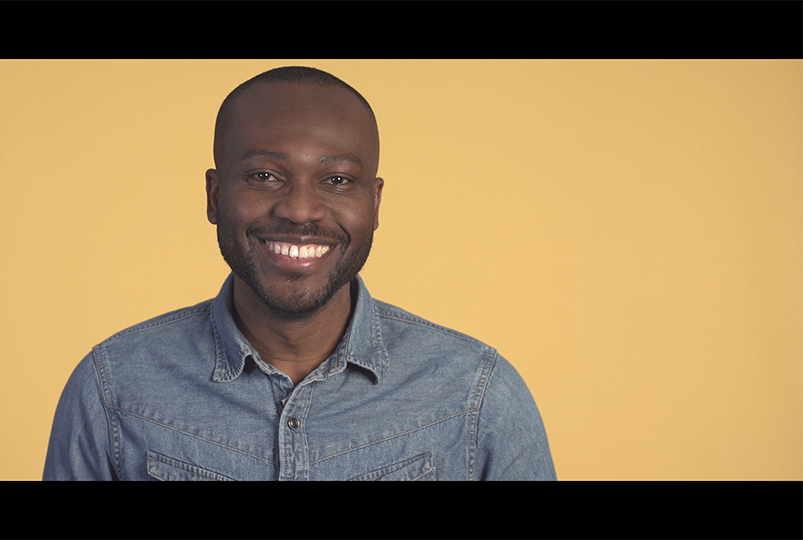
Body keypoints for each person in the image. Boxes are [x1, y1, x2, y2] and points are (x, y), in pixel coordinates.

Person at [43, 66, 556, 480]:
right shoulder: (113, 391)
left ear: (374, 204)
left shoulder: (476, 396)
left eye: (335, 179)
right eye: (265, 176)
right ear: (216, 196)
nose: (300, 210)